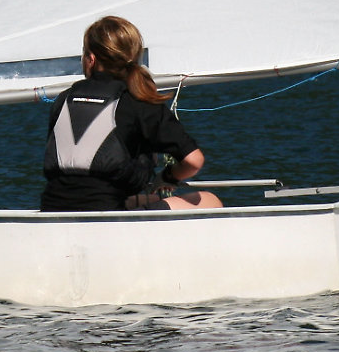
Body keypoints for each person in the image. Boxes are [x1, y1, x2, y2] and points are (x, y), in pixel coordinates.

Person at [39, 15, 222, 212]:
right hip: (108, 216)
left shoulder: (63, 100)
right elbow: (194, 161)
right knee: (210, 200)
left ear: (91, 59)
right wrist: (168, 177)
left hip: (53, 210)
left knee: (142, 200)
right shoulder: (139, 102)